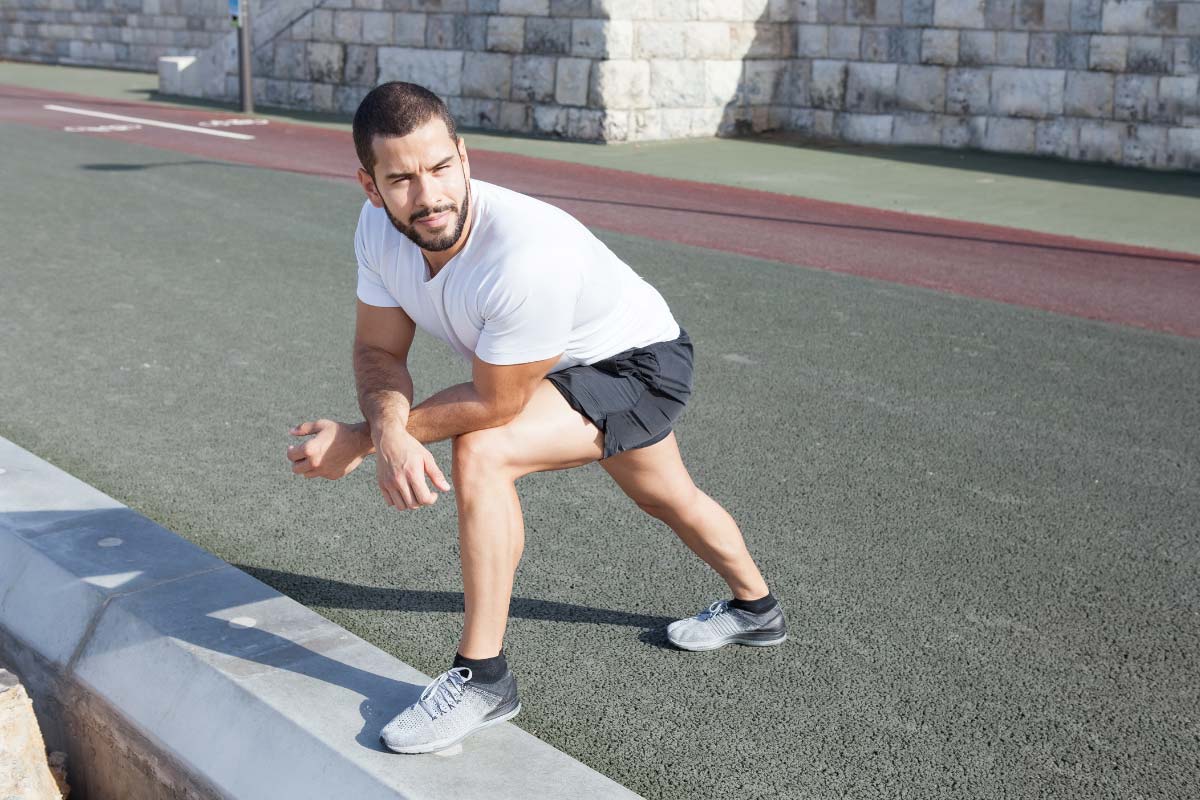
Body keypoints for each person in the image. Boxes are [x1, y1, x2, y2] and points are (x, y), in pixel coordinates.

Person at [285, 82, 786, 755]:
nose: (428, 196)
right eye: (401, 179)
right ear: (370, 187)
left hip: (633, 364)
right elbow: (378, 351)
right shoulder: (377, 232)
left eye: (440, 169)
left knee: (484, 449)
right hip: (549, 363)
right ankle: (758, 610)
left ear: (464, 157)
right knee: (668, 495)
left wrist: (362, 439)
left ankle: (484, 676)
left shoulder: (524, 255)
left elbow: (497, 403)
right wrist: (383, 429)